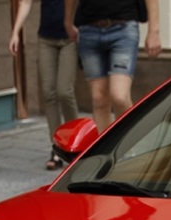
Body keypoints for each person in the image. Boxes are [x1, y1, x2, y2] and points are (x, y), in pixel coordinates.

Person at [64, 0, 160, 131]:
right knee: (99, 99)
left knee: (119, 96)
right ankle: (104, 149)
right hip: (89, 29)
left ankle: (129, 145)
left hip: (123, 29)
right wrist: (68, 21)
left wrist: (154, 31)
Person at [11, 0, 79, 169]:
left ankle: (77, 144)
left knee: (65, 91)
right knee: (49, 93)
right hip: (46, 39)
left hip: (69, 39)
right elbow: (26, 3)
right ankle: (57, 149)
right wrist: (15, 32)